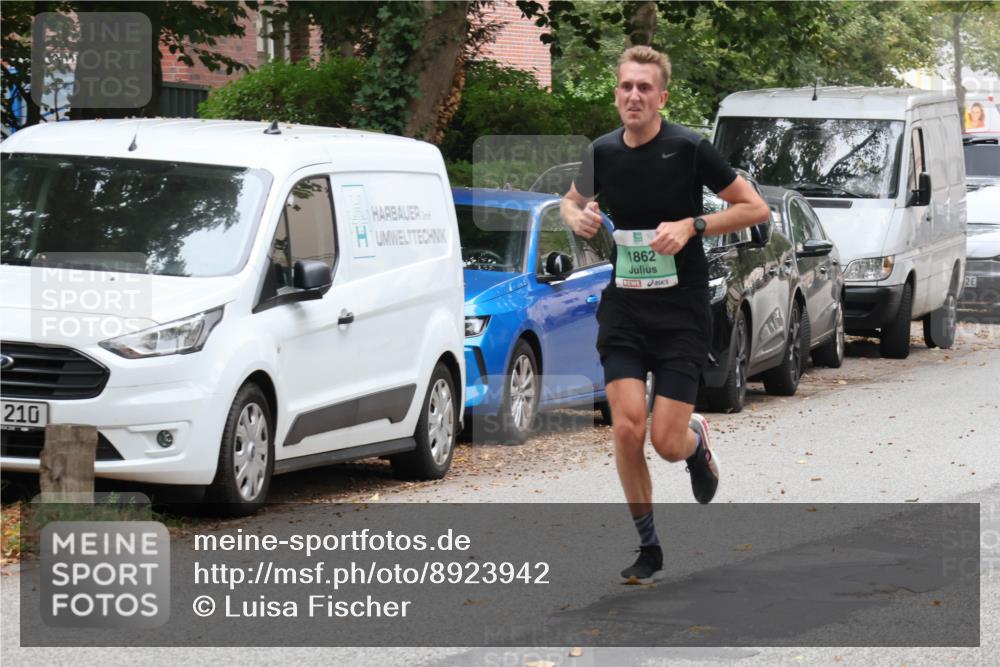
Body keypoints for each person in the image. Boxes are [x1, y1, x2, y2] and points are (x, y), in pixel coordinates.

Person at [560, 46, 769, 583]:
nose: (634, 95)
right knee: (628, 429)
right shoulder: (602, 152)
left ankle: (696, 440)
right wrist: (579, 216)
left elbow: (754, 208)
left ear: (661, 98)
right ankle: (648, 548)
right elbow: (571, 201)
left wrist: (693, 226)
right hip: (625, 307)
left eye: (645, 88)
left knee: (665, 442)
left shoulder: (690, 148)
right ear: (616, 94)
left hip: (681, 312)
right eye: (626, 86)